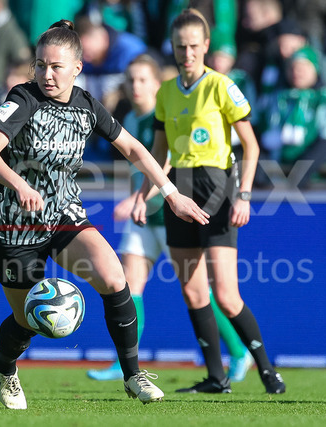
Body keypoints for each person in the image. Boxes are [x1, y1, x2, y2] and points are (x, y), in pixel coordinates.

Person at [0, 19, 210, 410]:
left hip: (63, 214)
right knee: (29, 320)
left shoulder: (86, 105)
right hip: (13, 227)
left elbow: (133, 149)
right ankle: (3, 365)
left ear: (77, 68)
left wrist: (171, 194)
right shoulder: (23, 98)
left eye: (56, 66)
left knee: (115, 277)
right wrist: (19, 185)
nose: (47, 74)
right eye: (40, 65)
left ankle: (132, 375)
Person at [132, 9, 285, 394]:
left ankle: (267, 369)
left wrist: (244, 195)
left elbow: (251, 145)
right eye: (180, 46)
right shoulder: (166, 92)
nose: (187, 53)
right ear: (172, 47)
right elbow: (160, 152)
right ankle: (216, 377)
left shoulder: (221, 86)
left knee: (227, 296)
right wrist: (143, 195)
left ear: (205, 46)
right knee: (193, 292)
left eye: (193, 46)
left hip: (217, 191)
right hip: (179, 191)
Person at [86, 53, 254, 383]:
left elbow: (169, 163)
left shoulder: (163, 116)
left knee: (199, 292)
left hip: (170, 216)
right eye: (130, 80)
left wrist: (137, 198)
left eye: (143, 80)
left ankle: (239, 352)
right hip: (143, 218)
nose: (135, 86)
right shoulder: (130, 118)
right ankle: (125, 362)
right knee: (128, 285)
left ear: (156, 84)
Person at [256, 46, 326, 188]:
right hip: (273, 178)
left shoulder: (325, 99)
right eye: (293, 67)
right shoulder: (277, 98)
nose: (297, 72)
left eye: (304, 67)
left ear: (315, 70)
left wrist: (298, 175)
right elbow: (262, 134)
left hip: (313, 182)